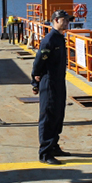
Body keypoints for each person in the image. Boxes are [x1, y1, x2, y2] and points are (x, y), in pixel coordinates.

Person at [31, 10, 71, 165]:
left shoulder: (60, 38)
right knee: (48, 116)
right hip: (49, 82)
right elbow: (39, 60)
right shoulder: (50, 39)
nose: (67, 22)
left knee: (58, 114)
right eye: (64, 20)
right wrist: (35, 80)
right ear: (55, 20)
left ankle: (54, 145)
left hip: (59, 82)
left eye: (68, 20)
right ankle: (45, 152)